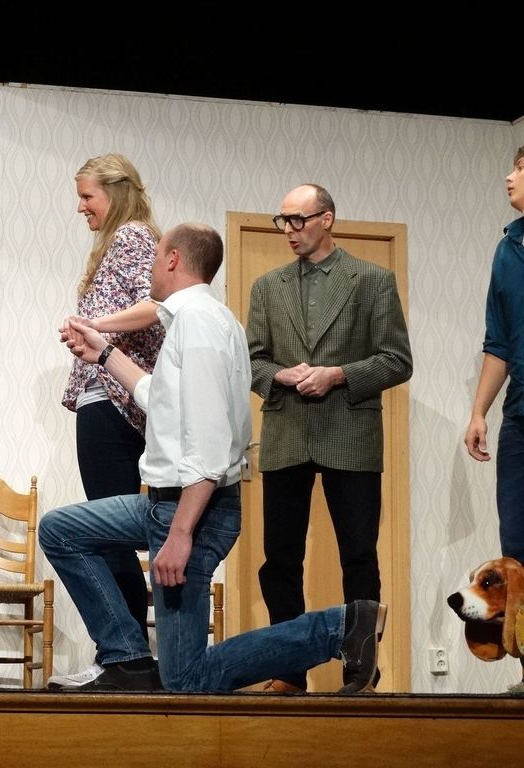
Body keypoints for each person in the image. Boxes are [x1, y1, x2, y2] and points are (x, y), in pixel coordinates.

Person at [39, 222, 387, 693]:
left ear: (173, 260)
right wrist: (104, 354)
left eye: (155, 258)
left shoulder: (199, 324)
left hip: (190, 512)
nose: (149, 269)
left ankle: (341, 628)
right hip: (162, 505)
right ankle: (126, 658)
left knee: (185, 679)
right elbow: (158, 398)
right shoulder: (200, 320)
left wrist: (181, 534)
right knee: (60, 530)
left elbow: (209, 442)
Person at [246, 183, 412, 693]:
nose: (289, 230)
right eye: (283, 221)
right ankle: (289, 671)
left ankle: (361, 673)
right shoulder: (267, 287)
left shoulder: (373, 280)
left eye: (298, 220)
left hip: (351, 433)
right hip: (286, 434)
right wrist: (281, 375)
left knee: (358, 557)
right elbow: (251, 361)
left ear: (327, 219)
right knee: (280, 560)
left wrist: (337, 374)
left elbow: (397, 360)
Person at [48, 154, 166, 689]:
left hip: (112, 398)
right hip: (119, 398)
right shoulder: (128, 240)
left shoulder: (131, 236)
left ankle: (125, 658)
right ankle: (126, 655)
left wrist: (91, 325)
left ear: (115, 193)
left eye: (87, 196)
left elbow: (154, 306)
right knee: (113, 532)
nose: (81, 207)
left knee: (105, 531)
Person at [464, 146, 524, 648]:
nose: (509, 177)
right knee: (517, 549)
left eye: (521, 168)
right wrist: (478, 411)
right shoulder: (508, 250)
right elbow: (499, 342)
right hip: (520, 418)